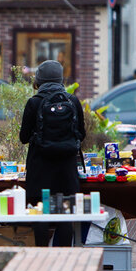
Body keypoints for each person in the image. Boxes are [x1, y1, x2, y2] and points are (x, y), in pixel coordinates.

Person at [19, 60, 86, 247]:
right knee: (65, 213)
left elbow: (24, 137)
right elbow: (81, 133)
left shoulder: (34, 102)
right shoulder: (72, 101)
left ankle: (42, 256)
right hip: (66, 168)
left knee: (41, 213)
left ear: (39, 79)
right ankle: (62, 257)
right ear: (60, 78)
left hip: (40, 167)